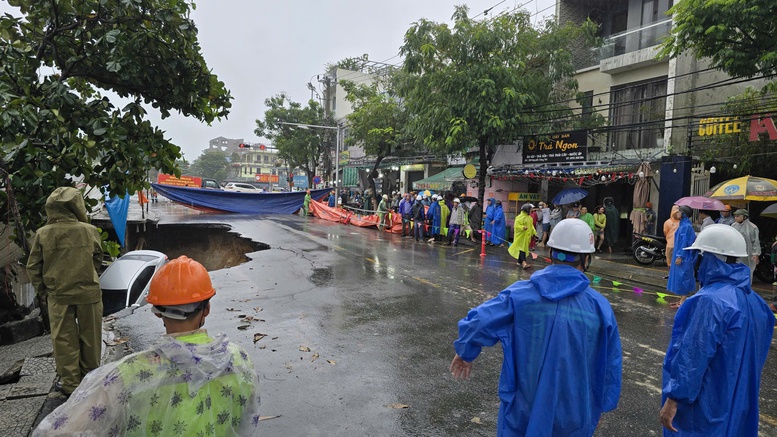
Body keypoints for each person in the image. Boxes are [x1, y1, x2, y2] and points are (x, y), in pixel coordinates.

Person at [34, 256, 261, 436]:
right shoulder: (239, 360)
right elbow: (245, 421)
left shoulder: (127, 374)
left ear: (157, 312)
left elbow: (62, 432)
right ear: (207, 309)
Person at [451, 219, 622, 436]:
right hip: (574, 413)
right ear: (586, 259)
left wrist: (466, 352)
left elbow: (479, 321)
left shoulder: (519, 295)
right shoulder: (600, 308)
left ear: (550, 252)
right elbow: (610, 363)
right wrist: (600, 406)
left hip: (523, 409)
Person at [660, 225, 773, 436]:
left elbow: (693, 356)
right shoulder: (756, 302)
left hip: (705, 405)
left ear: (709, 258)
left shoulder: (709, 300)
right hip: (738, 401)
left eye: (698, 257)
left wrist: (675, 398)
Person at [26, 187, 103, 397]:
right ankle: (91, 379)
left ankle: (70, 384)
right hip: (89, 293)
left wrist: (44, 289)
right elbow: (98, 258)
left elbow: (33, 267)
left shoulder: (43, 234)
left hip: (58, 294)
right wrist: (88, 274)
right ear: (77, 205)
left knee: (63, 340)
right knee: (91, 337)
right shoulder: (89, 231)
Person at [667, 205, 697, 308]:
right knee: (680, 277)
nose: (677, 213)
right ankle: (681, 300)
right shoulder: (682, 225)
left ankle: (683, 301)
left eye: (679, 211)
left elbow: (684, 243)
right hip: (680, 255)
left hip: (684, 257)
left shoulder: (686, 227)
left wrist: (680, 256)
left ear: (684, 214)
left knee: (684, 277)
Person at [731, 209, 761, 282]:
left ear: (744, 217)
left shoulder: (752, 227)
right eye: (735, 216)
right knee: (736, 268)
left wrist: (756, 254)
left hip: (748, 253)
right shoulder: (733, 226)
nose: (736, 218)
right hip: (736, 252)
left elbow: (755, 241)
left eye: (738, 216)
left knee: (748, 269)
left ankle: (747, 286)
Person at [508, 203, 536, 269]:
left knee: (523, 249)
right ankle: (524, 263)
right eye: (531, 209)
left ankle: (519, 262)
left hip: (527, 237)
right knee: (522, 249)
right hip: (520, 236)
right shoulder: (519, 217)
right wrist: (523, 227)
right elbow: (516, 226)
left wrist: (534, 233)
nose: (532, 210)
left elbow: (531, 227)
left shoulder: (530, 218)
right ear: (527, 210)